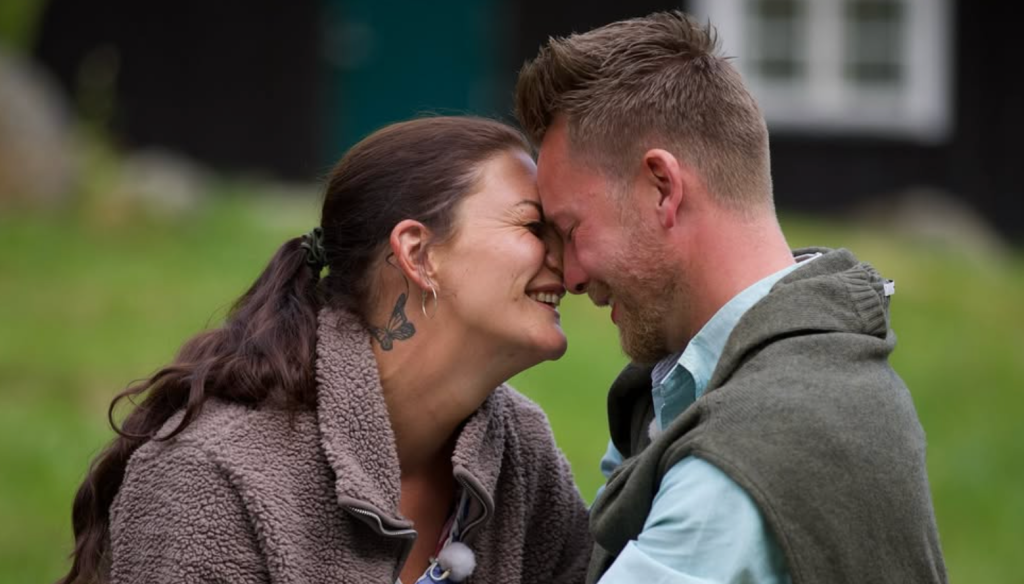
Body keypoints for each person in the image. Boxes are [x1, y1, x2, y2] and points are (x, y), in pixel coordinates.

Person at [58, 116, 591, 584]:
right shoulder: (212, 475)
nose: (568, 263)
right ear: (418, 253)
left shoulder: (522, 455)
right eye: (533, 226)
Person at [515, 10, 947, 584]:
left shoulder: (744, 461)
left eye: (571, 231)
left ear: (662, 188)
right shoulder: (813, 363)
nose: (569, 276)